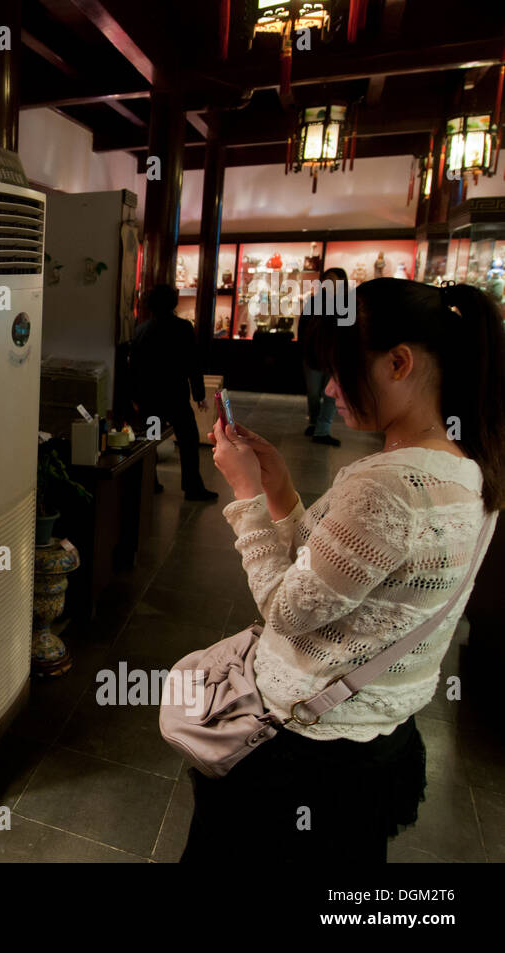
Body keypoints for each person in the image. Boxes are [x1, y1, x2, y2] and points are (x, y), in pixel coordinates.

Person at [182, 279, 503, 863]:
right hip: (379, 734)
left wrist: (246, 492)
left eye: (339, 370)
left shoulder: (387, 485)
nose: (330, 387)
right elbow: (342, 581)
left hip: (309, 750)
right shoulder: (468, 470)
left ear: (399, 362)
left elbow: (288, 608)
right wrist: (280, 490)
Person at [131, 285, 218, 501]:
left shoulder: (141, 330)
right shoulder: (182, 327)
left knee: (150, 442)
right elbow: (192, 363)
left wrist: (135, 397)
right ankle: (192, 487)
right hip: (175, 397)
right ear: (173, 303)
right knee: (188, 441)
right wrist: (199, 395)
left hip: (149, 398)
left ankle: (149, 482)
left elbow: (135, 368)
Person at [298, 267, 346, 446]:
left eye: (333, 279)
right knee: (313, 393)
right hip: (313, 354)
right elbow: (303, 327)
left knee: (331, 395)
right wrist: (304, 348)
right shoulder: (314, 302)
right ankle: (314, 422)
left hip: (334, 357)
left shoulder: (346, 303)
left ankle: (322, 429)